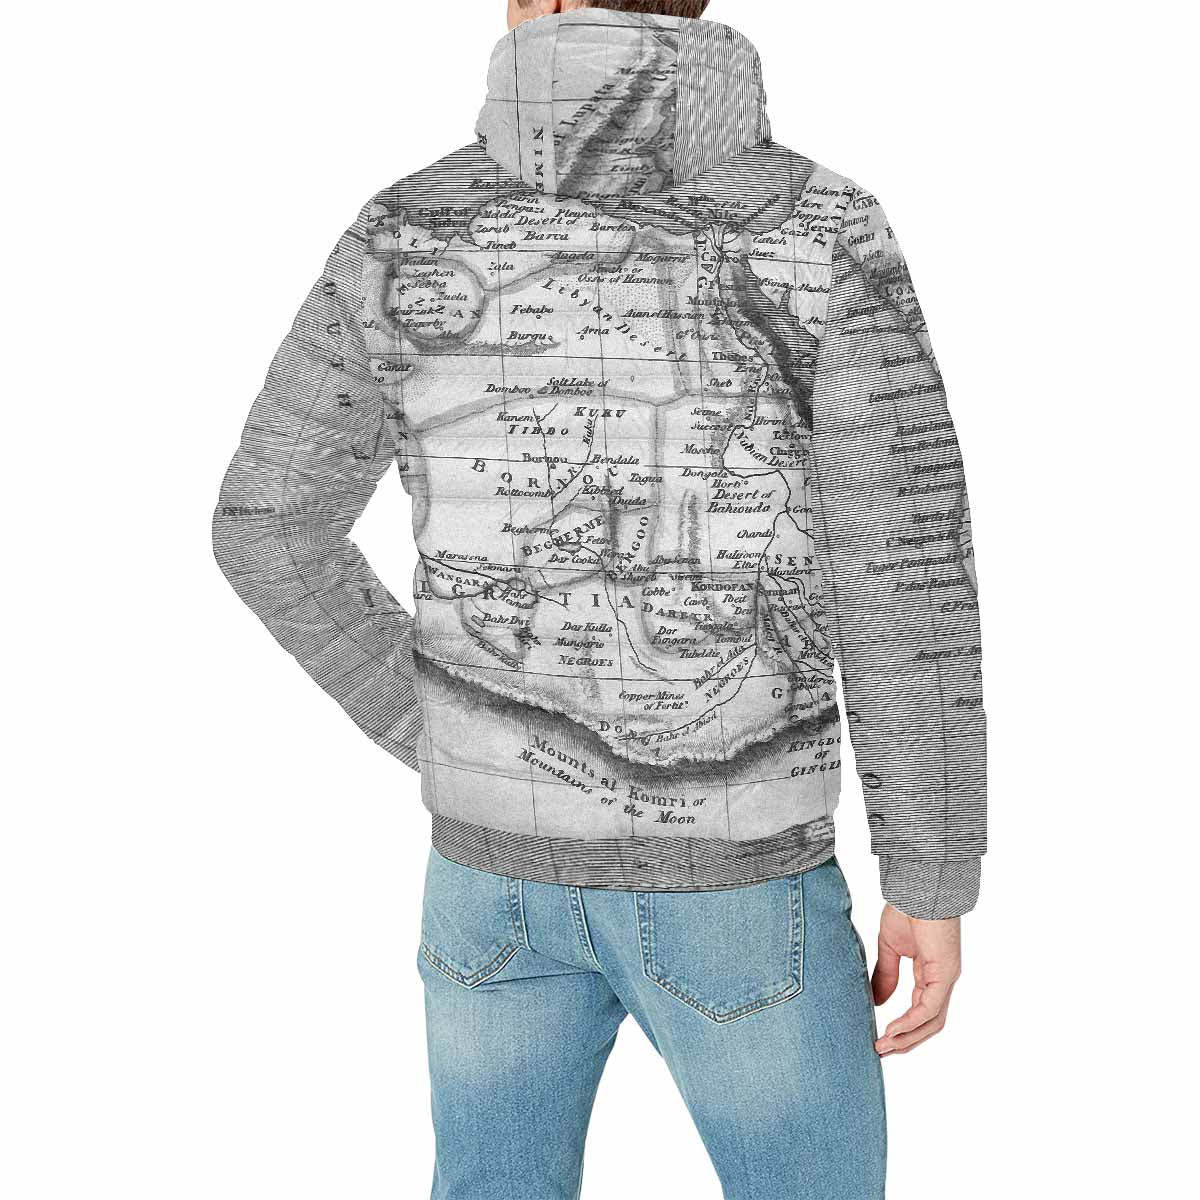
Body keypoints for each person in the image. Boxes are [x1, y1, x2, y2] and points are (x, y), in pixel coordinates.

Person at [213, 0, 986, 1194]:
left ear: (534, 3)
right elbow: (906, 578)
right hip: (742, 886)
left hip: (490, 886)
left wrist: (472, 730)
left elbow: (268, 524)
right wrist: (931, 878)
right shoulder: (823, 225)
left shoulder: (403, 227)